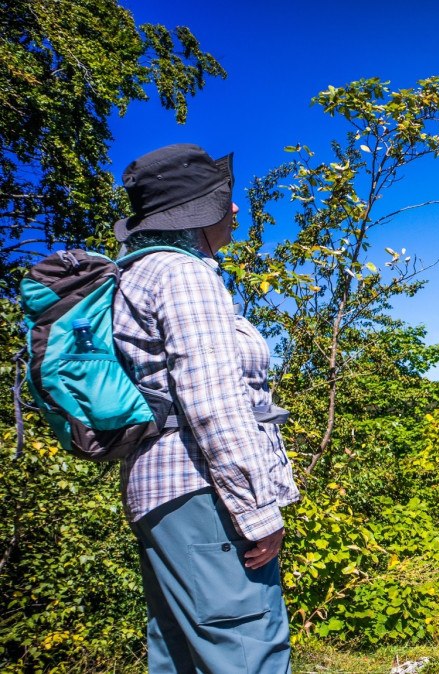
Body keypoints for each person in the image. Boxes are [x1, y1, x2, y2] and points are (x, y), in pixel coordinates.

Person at [111, 143, 299, 672]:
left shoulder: (135, 274)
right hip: (203, 494)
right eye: (225, 199)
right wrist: (258, 509)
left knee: (181, 654)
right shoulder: (186, 275)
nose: (236, 209)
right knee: (248, 649)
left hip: (158, 496)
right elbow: (214, 401)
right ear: (195, 211)